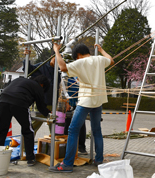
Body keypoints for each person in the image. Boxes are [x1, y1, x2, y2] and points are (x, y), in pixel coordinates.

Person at [49, 43, 114, 173]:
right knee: (97, 131)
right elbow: (111, 60)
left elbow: (62, 67)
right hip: (99, 100)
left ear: (78, 55)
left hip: (86, 101)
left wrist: (56, 50)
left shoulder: (81, 62)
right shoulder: (100, 59)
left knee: (73, 130)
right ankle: (99, 160)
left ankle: (67, 164)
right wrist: (101, 50)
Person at [0, 75, 51, 167]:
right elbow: (40, 106)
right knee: (28, 130)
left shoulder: (20, 80)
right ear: (42, 85)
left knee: (2, 129)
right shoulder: (38, 87)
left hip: (4, 100)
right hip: (20, 102)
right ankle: (30, 158)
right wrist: (48, 114)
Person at [23, 50, 61, 133]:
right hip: (41, 102)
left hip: (55, 103)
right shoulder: (42, 66)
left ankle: (53, 145)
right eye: (56, 59)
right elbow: (29, 70)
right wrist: (26, 58)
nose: (58, 62)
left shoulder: (60, 69)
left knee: (55, 128)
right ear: (51, 56)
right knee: (33, 126)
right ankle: (25, 145)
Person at [64, 77, 87, 155]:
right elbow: (63, 91)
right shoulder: (66, 78)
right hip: (68, 104)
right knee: (66, 126)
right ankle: (65, 146)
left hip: (79, 104)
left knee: (81, 126)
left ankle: (81, 146)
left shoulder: (80, 77)